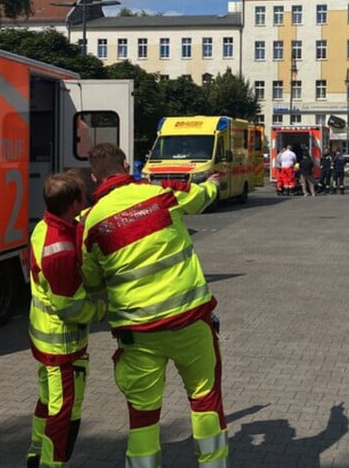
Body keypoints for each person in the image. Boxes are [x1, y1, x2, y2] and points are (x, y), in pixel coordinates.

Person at [81, 143, 228, 468]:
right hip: (189, 322)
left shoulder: (91, 223)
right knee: (205, 400)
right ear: (125, 165)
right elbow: (200, 198)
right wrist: (212, 185)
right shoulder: (157, 194)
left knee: (142, 416)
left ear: (95, 178)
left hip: (138, 335)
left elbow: (91, 282)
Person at [26, 172, 107, 468]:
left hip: (44, 338)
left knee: (48, 403)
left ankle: (35, 454)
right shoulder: (59, 251)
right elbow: (70, 309)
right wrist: (101, 309)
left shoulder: (47, 225)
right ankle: (51, 463)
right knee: (63, 413)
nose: (86, 201)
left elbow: (76, 223)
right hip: (61, 347)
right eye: (83, 197)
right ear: (72, 203)